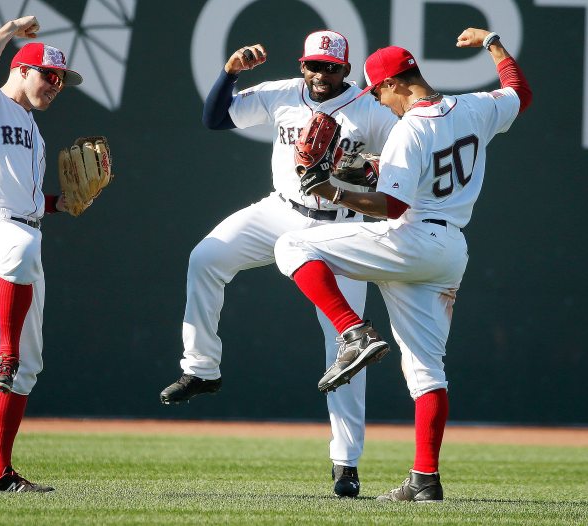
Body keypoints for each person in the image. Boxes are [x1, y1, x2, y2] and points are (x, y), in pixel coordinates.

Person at [274, 27, 532, 501]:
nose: (378, 100)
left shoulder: (409, 128)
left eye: (377, 91)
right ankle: (424, 480)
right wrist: (493, 44)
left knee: (292, 247)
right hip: (450, 251)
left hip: (410, 236)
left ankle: (354, 334)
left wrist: (332, 191)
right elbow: (519, 92)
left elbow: (391, 208)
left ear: (395, 83)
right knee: (427, 373)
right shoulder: (475, 108)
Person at [159, 30, 398, 497]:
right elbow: (215, 119)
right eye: (313, 65)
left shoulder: (370, 108)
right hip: (281, 209)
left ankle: (345, 465)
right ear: (302, 64)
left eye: (330, 67)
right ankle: (202, 370)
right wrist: (229, 72)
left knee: (348, 350)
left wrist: (365, 167)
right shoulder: (284, 93)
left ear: (346, 70)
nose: (320, 74)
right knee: (205, 257)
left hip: (339, 227)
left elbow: (396, 166)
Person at [0, 16, 83, 492]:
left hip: (19, 238)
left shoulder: (37, 134)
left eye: (62, 81)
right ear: (22, 70)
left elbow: (25, 202)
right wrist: (8, 29)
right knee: (22, 247)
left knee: (30, 365)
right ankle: (3, 355)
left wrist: (58, 203)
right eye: (49, 76)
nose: (56, 86)